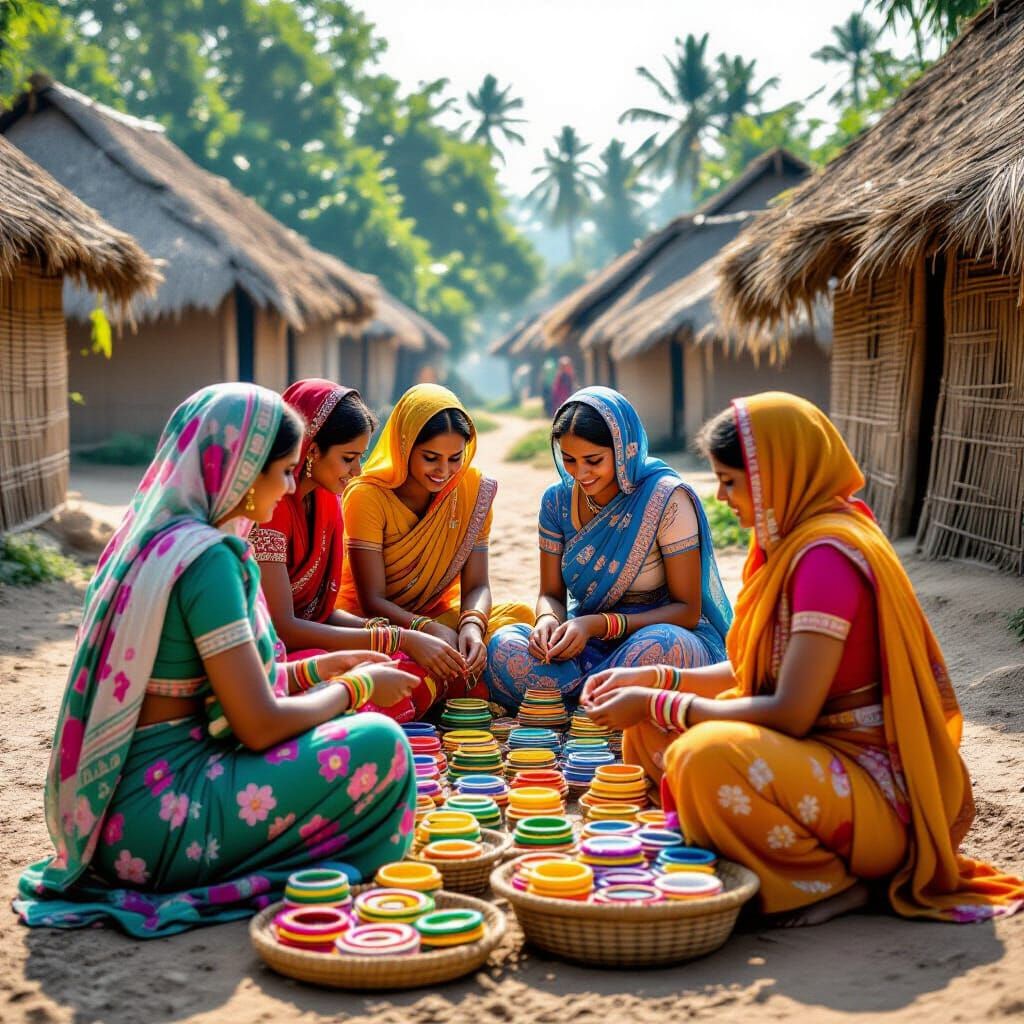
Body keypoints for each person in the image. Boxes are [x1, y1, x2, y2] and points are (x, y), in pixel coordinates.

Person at [582, 392, 1024, 925]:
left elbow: (789, 709)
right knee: (651, 732)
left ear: (775, 473)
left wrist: (660, 700)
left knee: (703, 756)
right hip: (818, 757)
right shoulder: (788, 544)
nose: (721, 497)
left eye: (729, 481)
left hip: (880, 794)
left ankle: (837, 880)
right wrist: (657, 678)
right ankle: (740, 849)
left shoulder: (825, 558)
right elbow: (756, 675)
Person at [15, 384, 418, 937]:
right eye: (281, 470)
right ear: (242, 470)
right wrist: (359, 688)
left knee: (342, 723)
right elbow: (257, 724)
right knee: (381, 743)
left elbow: (217, 686)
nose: (289, 485)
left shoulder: (157, 542)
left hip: (115, 817)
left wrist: (319, 670)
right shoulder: (209, 560)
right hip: (162, 820)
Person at [488, 386, 731, 712]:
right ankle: (599, 701)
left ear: (625, 450)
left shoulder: (665, 499)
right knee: (504, 646)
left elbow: (687, 610)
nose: (580, 473)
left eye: (594, 460)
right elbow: (550, 593)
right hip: (583, 643)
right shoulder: (557, 500)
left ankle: (571, 701)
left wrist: (599, 625)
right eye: (569, 460)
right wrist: (548, 621)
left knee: (665, 648)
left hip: (654, 635)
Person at [250, 379, 461, 721]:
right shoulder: (269, 507)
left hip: (310, 643)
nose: (357, 471)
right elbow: (283, 627)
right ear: (312, 449)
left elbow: (320, 611)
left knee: (407, 667)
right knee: (363, 672)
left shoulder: (327, 502)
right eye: (349, 458)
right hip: (273, 655)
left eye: (360, 457)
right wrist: (397, 638)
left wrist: (400, 637)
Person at [338, 384, 533, 703]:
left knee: (520, 615)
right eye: (431, 458)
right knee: (386, 663)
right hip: (380, 626)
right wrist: (425, 630)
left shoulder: (472, 490)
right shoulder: (367, 496)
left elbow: (478, 585)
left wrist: (471, 626)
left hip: (442, 620)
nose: (444, 471)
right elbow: (372, 600)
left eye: (455, 458)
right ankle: (453, 680)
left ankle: (446, 676)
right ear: (405, 447)